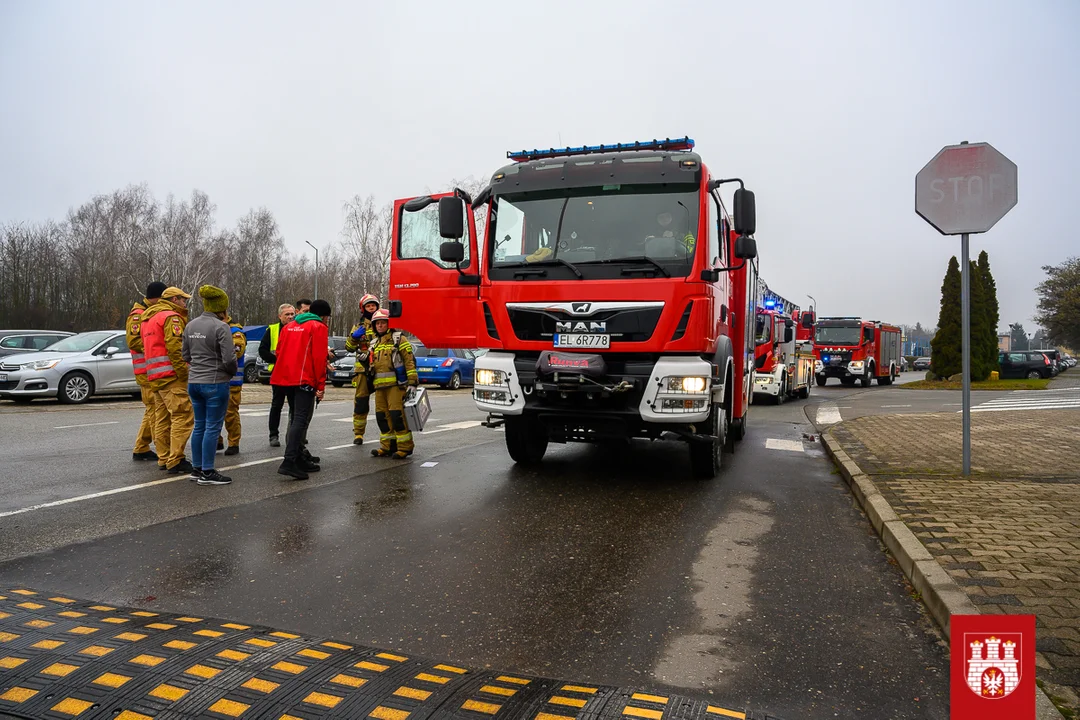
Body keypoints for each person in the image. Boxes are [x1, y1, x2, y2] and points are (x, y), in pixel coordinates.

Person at [181, 285, 236, 486]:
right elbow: (229, 358)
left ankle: (196, 468)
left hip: (194, 382)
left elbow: (185, 355)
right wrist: (229, 372)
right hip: (215, 383)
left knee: (200, 426)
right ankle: (208, 471)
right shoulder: (221, 327)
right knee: (213, 427)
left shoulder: (190, 325)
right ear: (222, 308)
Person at [272, 299, 332, 480]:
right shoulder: (318, 327)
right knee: (300, 418)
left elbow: (279, 351)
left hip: (284, 378)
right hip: (304, 378)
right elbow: (319, 358)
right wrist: (320, 385)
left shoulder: (289, 327)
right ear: (324, 316)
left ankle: (297, 457)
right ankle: (289, 461)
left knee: (294, 416)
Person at [141, 286, 195, 474]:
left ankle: (164, 458)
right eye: (182, 299)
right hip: (171, 376)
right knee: (183, 415)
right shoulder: (171, 317)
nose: (184, 303)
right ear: (174, 300)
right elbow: (175, 348)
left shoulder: (147, 317)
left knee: (162, 418)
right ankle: (176, 459)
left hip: (154, 376)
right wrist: (183, 373)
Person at [127, 281, 170, 463]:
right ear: (157, 298)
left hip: (151, 370)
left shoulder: (148, 313)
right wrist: (156, 347)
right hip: (146, 371)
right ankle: (164, 455)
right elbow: (133, 341)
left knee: (151, 410)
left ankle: (141, 447)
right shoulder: (138, 315)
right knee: (155, 412)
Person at [367, 308, 419, 459]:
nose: (380, 326)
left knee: (397, 416)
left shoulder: (399, 339)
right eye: (378, 323)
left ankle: (405, 447)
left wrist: (412, 382)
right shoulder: (374, 343)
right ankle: (387, 446)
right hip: (379, 387)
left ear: (389, 324)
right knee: (381, 417)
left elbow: (409, 361)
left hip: (396, 386)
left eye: (383, 323)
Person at [259, 303, 296, 447]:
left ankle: (294, 436)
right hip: (278, 373)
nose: (290, 317)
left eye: (292, 314)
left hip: (294, 373)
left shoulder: (299, 328)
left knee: (294, 407)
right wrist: (278, 360)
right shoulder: (272, 329)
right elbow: (263, 350)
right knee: (276, 406)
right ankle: (273, 435)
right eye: (287, 314)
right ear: (280, 316)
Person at [345, 293, 380, 444]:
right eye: (368, 306)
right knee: (361, 403)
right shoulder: (358, 326)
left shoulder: (384, 323)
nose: (371, 308)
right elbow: (349, 348)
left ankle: (388, 435)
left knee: (384, 404)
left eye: (373, 305)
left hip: (381, 369)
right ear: (363, 309)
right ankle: (358, 434)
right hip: (363, 370)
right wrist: (354, 337)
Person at [220, 314, 246, 455]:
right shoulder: (212, 327)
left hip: (232, 381)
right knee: (213, 412)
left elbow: (237, 352)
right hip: (215, 379)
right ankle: (217, 440)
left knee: (230, 413)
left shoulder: (235, 332)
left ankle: (233, 442)